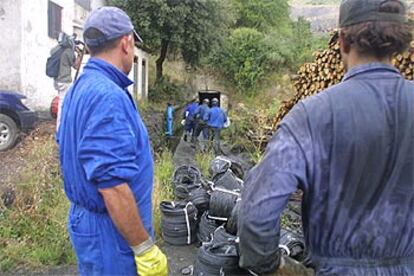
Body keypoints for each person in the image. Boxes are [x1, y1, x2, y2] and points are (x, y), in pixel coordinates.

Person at [238, 0, 414, 275]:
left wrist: (280, 267)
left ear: (342, 41)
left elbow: (256, 216)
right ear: (401, 42)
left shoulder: (311, 115)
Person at [58, 7, 167, 276]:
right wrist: (144, 249)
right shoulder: (108, 96)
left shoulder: (78, 89)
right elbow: (113, 186)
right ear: (126, 43)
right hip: (111, 231)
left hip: (90, 223)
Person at [50, 32, 80, 130]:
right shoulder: (69, 52)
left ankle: (62, 126)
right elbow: (76, 66)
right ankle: (60, 128)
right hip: (65, 81)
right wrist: (79, 55)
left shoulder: (57, 50)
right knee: (63, 105)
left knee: (63, 102)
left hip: (57, 81)